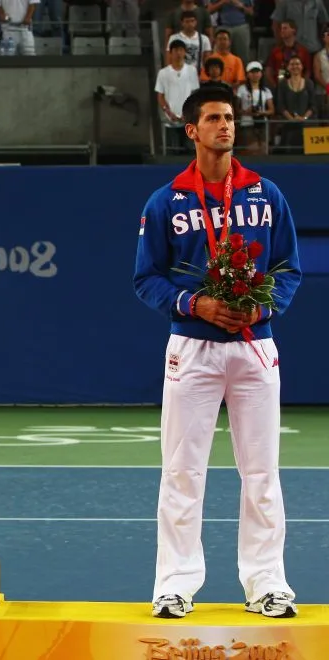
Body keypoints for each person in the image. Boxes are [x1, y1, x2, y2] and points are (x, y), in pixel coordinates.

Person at [133, 85, 302, 619]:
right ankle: (175, 584)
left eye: (230, 117)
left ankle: (267, 583)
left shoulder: (265, 194)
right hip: (193, 347)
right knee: (182, 470)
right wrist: (194, 303)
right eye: (213, 118)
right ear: (191, 130)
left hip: (255, 347)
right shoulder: (166, 202)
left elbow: (289, 269)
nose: (225, 126)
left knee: (262, 472)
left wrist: (262, 308)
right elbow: (146, 279)